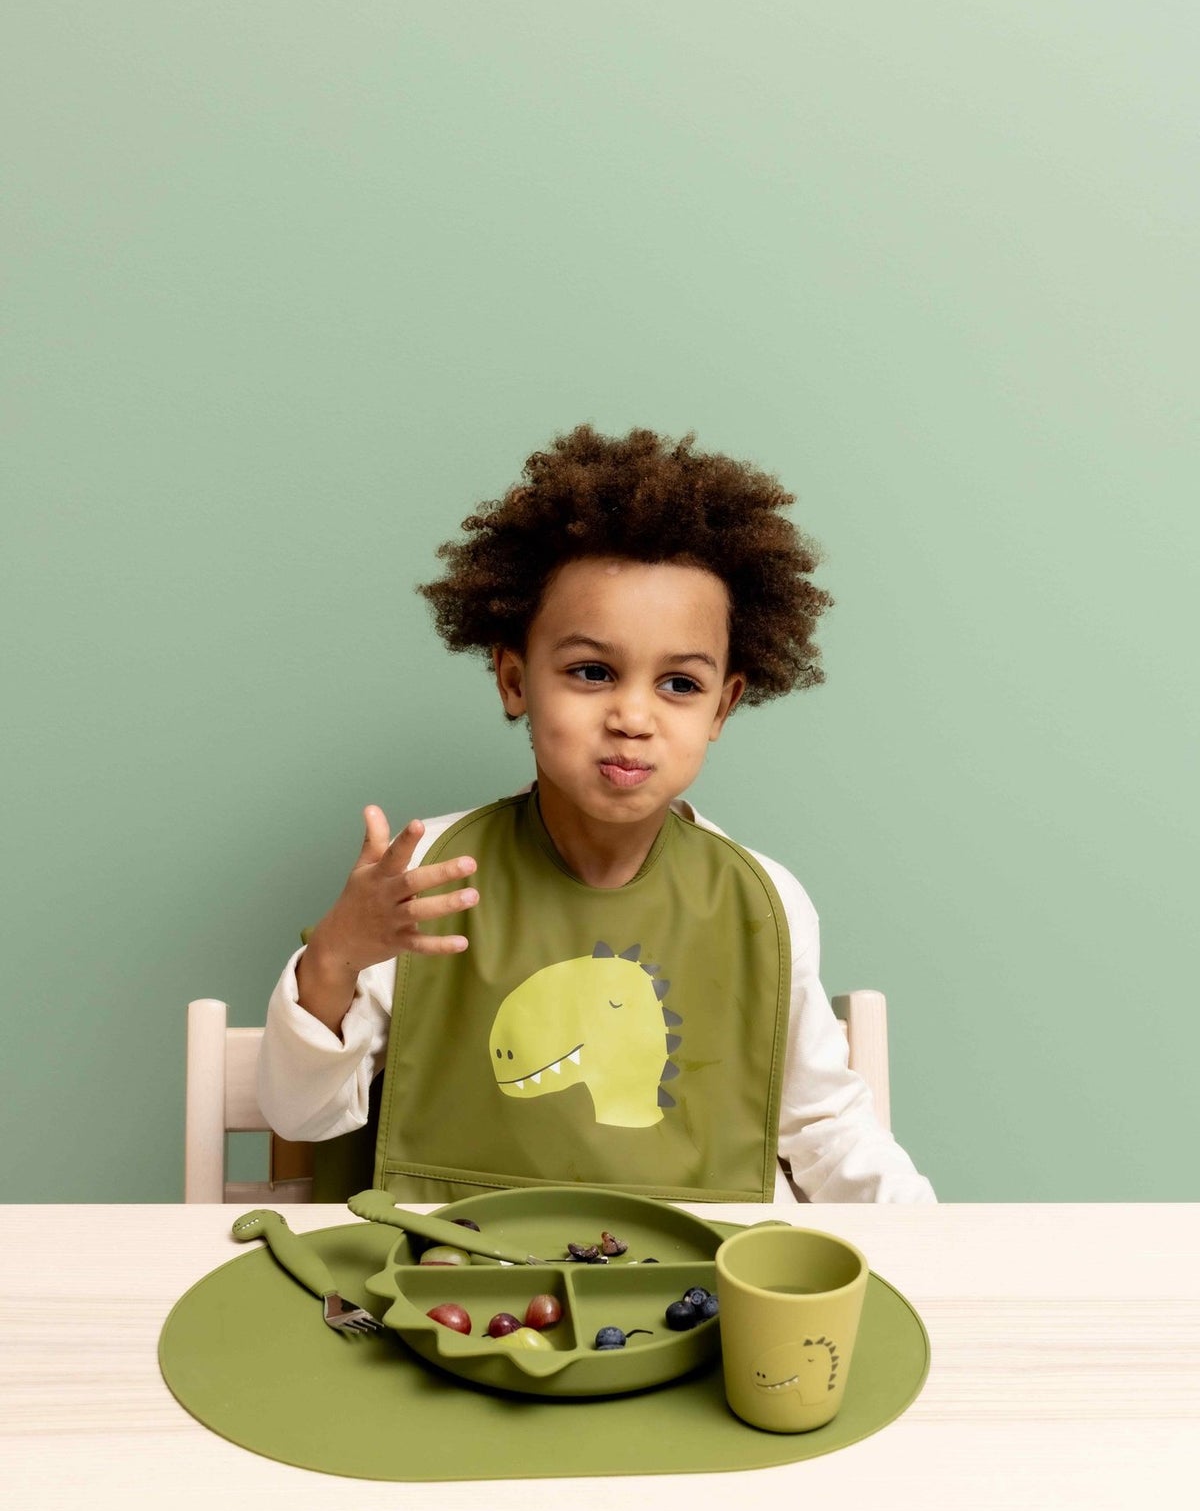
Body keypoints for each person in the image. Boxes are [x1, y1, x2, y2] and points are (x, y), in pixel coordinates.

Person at [257, 424, 937, 1206]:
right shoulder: (425, 880)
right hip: (456, 1279)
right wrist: (336, 958)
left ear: (724, 705)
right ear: (515, 680)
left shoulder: (765, 903)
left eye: (679, 684)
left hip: (695, 1286)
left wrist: (934, 1243)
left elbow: (825, 1128)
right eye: (592, 671)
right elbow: (299, 1114)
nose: (632, 716)